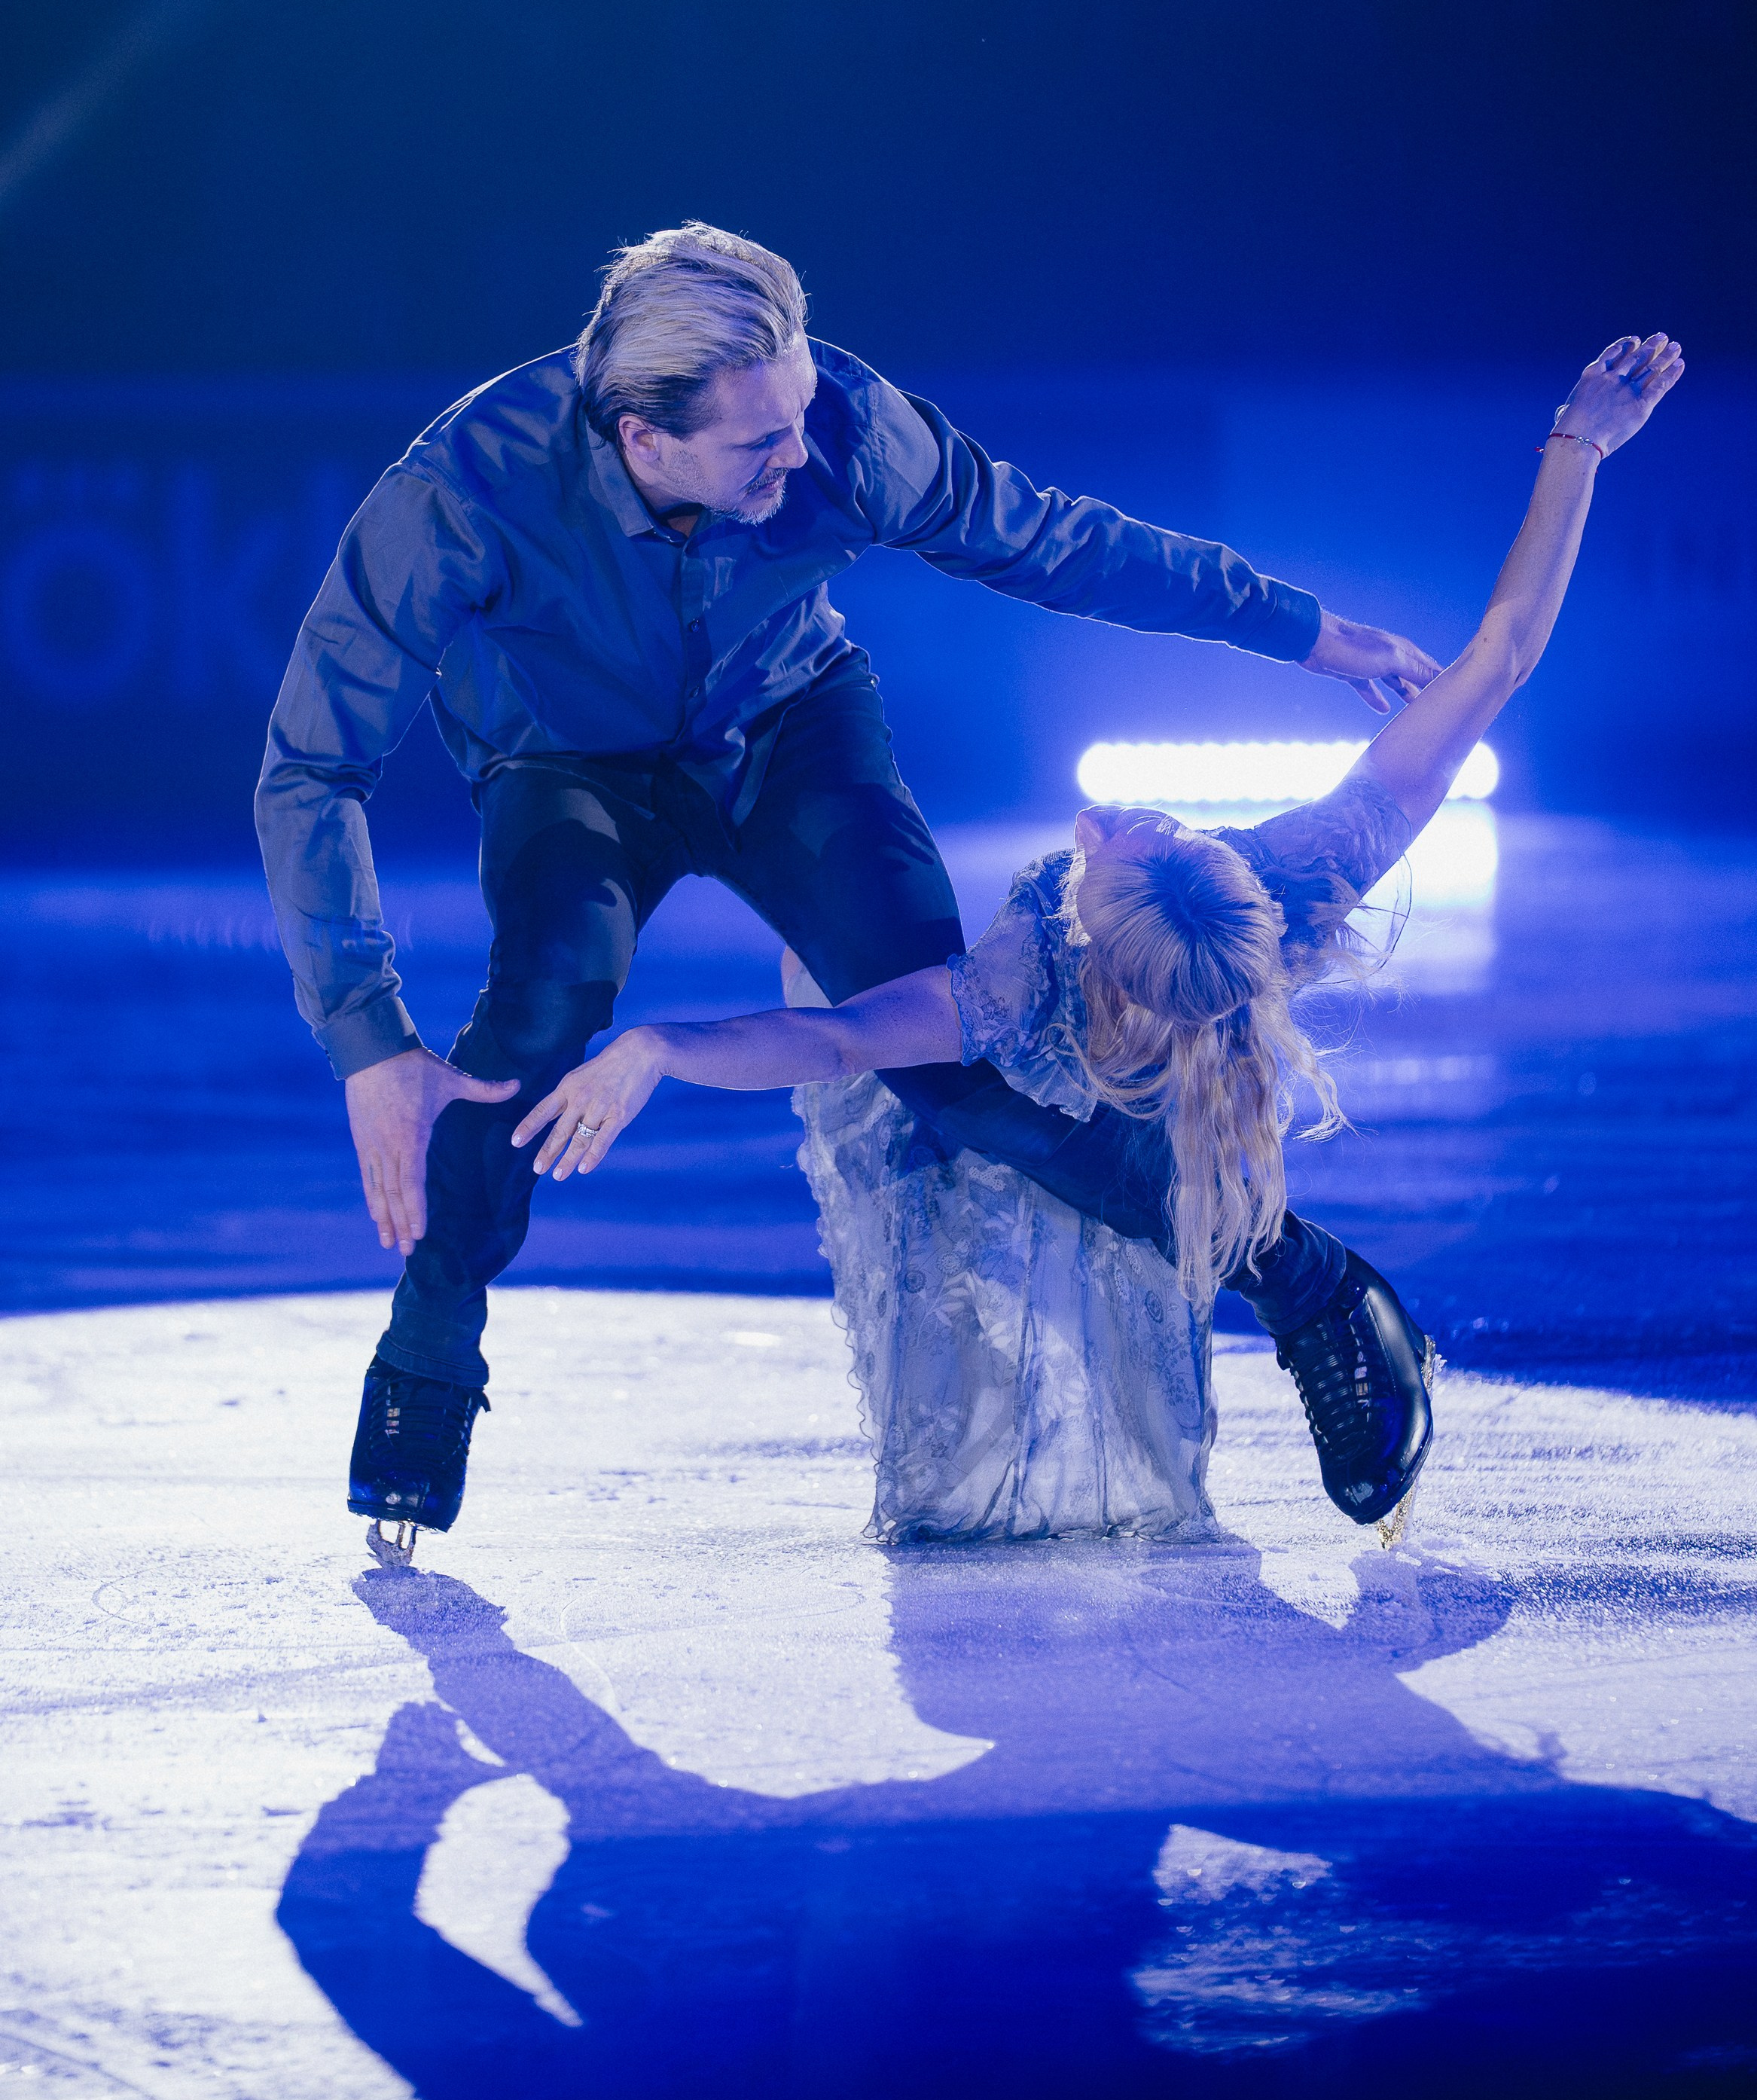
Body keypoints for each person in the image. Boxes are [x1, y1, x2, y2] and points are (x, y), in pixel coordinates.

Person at [256, 223, 1441, 1543]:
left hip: (792, 735)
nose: (798, 454)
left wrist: (1299, 629)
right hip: (565, 766)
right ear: (644, 439)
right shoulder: (461, 493)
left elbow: (1054, 541)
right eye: (758, 442)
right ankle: (428, 1355)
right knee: (533, 1023)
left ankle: (1306, 1281)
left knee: (948, 1070)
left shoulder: (844, 426)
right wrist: (368, 1039)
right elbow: (310, 768)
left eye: (803, 411)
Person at [515, 332, 1684, 1545]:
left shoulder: (1024, 975)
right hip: (1106, 1108)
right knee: (981, 1142)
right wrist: (1578, 446)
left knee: (955, 1118)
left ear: (1088, 931)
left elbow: (836, 1038)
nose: (1116, 818)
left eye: (1113, 847)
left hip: (1121, 1117)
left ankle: (1282, 1274)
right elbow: (1499, 658)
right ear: (1222, 858)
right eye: (1155, 825)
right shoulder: (1303, 866)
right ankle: (1295, 1277)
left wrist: (661, 1045)